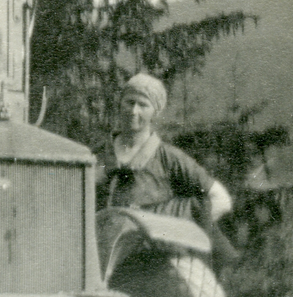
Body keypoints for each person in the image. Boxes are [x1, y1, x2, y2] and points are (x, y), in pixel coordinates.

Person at [100, 72, 235, 241]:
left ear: (155, 112)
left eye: (143, 105)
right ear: (120, 104)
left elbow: (221, 200)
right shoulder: (96, 154)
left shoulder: (170, 158)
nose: (134, 111)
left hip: (151, 257)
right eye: (129, 102)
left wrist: (171, 232)